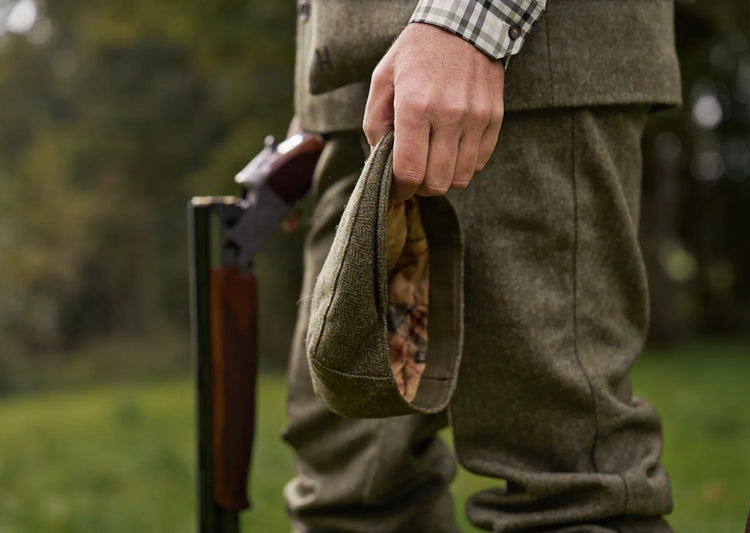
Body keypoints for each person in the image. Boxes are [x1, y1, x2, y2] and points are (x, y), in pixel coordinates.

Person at [283, 1, 682, 531]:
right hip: (352, 92)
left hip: (521, 66)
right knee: (351, 490)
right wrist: (314, 96)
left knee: (565, 488)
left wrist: (469, 22)